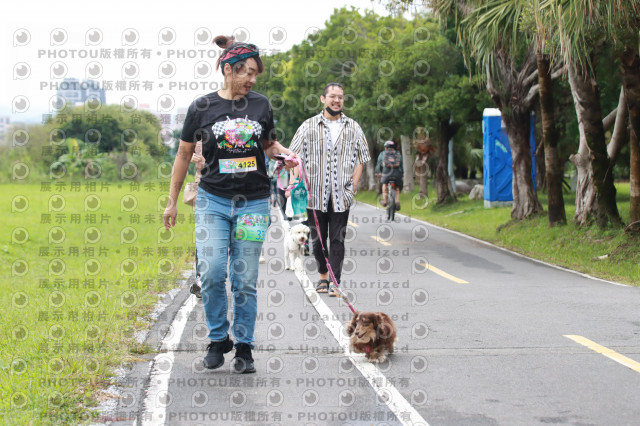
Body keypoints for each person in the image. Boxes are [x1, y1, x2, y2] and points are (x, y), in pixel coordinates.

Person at [163, 35, 296, 374]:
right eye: (247, 72)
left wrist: (285, 154)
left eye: (255, 74)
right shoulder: (201, 107)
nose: (252, 80)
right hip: (213, 202)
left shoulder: (261, 105)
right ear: (227, 70)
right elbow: (183, 155)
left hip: (253, 204)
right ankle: (218, 338)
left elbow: (268, 144)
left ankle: (244, 346)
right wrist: (172, 202)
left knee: (245, 278)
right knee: (211, 272)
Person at [289, 82, 370, 296]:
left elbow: (361, 159)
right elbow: (294, 157)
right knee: (317, 240)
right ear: (323, 99)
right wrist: (293, 183)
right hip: (314, 194)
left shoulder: (353, 127)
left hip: (342, 194)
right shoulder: (308, 126)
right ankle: (323, 276)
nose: (337, 100)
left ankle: (334, 282)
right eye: (333, 96)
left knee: (337, 239)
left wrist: (353, 187)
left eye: (340, 97)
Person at [375, 140, 404, 211]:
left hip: (386, 174)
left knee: (385, 184)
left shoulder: (383, 153)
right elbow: (401, 166)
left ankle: (385, 201)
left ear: (386, 147)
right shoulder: (398, 154)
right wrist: (402, 174)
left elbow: (378, 164)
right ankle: (397, 201)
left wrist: (377, 172)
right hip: (397, 174)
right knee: (397, 187)